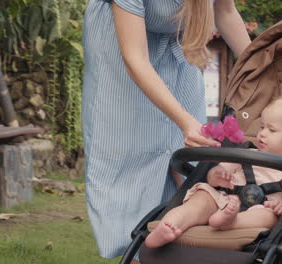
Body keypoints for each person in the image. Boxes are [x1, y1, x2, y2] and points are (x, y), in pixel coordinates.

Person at [81, 0, 251, 259]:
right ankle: (137, 252)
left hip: (178, 51)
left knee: (190, 163)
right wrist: (184, 121)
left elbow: (225, 12)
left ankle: (178, 243)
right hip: (120, 57)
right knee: (129, 160)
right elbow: (135, 58)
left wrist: (262, 72)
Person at [145, 97, 282, 248]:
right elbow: (213, 177)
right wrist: (217, 176)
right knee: (201, 198)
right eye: (261, 127)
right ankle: (169, 225)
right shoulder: (244, 154)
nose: (262, 134)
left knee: (269, 217)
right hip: (223, 199)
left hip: (259, 210)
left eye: (271, 130)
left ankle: (230, 222)